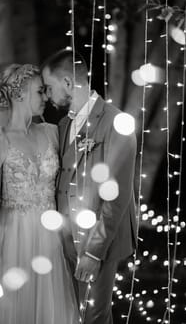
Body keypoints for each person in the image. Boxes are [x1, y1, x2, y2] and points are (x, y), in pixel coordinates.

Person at [0, 64, 79, 324]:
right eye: (39, 92)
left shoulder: (51, 133)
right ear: (19, 94)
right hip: (15, 238)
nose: (45, 97)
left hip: (50, 236)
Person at [41, 49, 137, 324]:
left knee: (94, 316)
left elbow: (116, 196)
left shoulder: (116, 123)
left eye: (49, 87)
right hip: (64, 238)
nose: (47, 96)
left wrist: (94, 251)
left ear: (69, 83)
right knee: (72, 313)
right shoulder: (63, 124)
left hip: (98, 241)